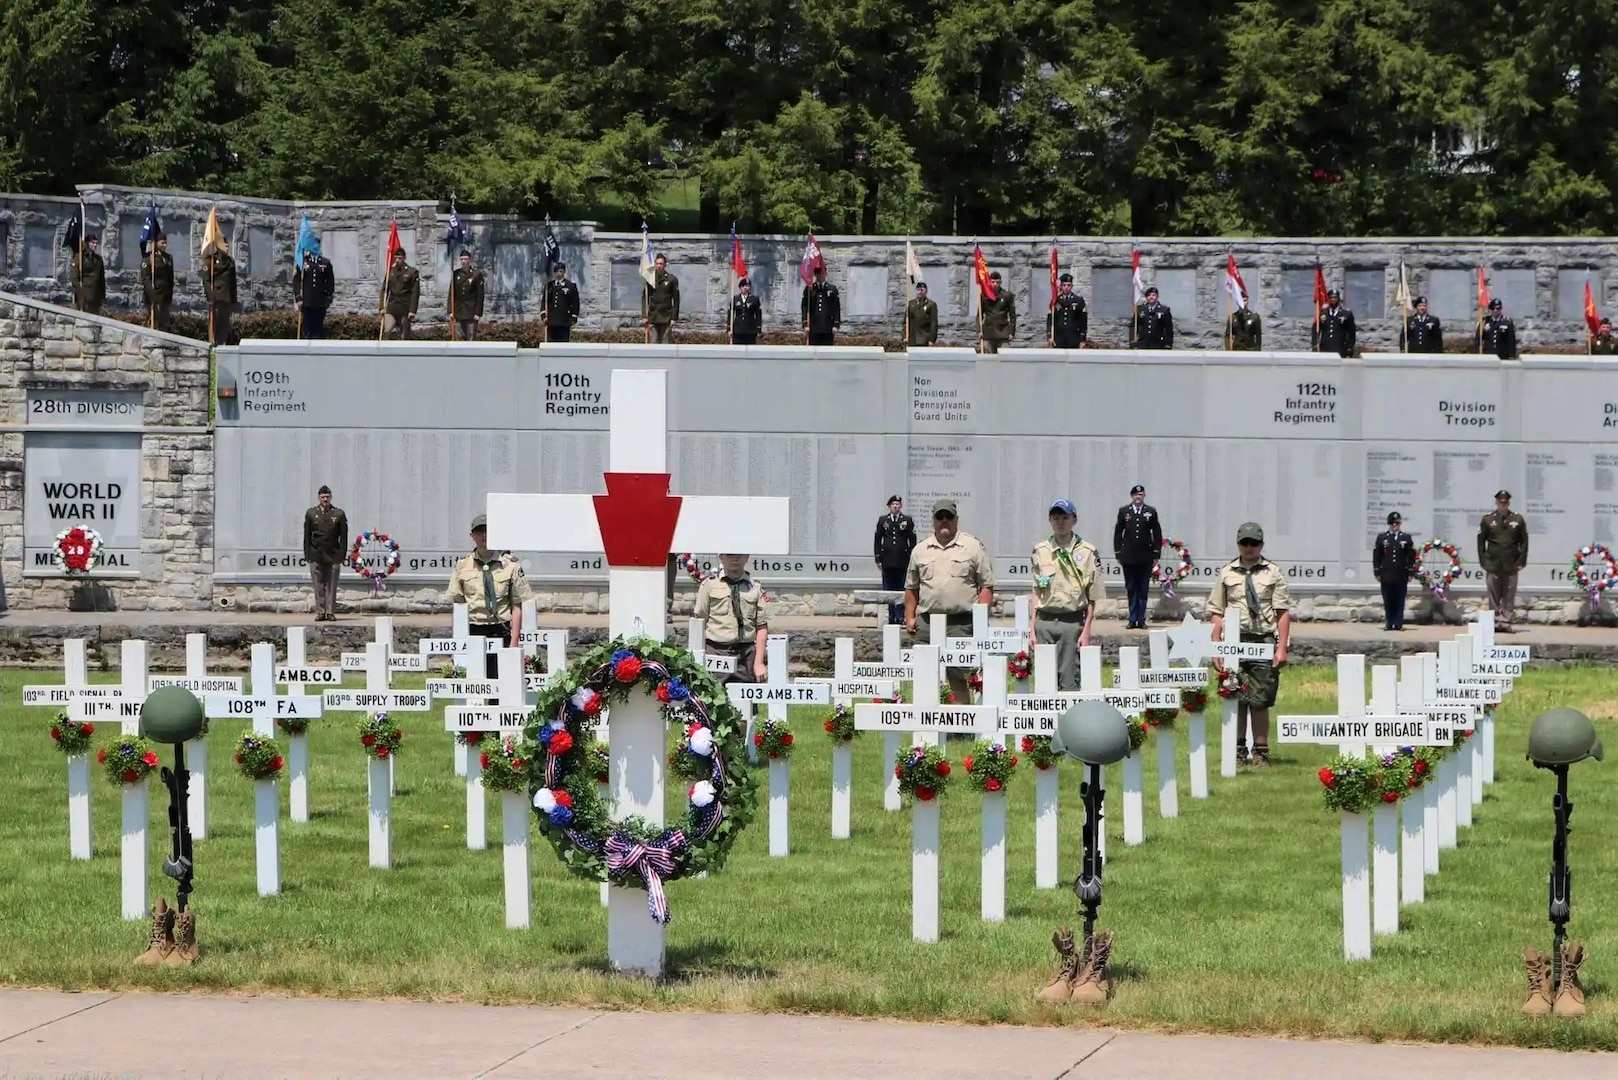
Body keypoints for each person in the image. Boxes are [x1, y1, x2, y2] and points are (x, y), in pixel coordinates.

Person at [1206, 522, 1291, 768]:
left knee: (1261, 699)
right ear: (1238, 544)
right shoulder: (1227, 573)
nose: (1250, 548)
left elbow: (1282, 612)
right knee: (1235, 696)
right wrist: (1216, 644)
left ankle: (1261, 752)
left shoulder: (1273, 572)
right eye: (1245, 543)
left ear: (1261, 545)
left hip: (1263, 639)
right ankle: (1238, 750)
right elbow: (1216, 611)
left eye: (1254, 543)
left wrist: (1281, 647)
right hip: (1234, 641)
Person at [904, 499, 994, 704]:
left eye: (949, 517)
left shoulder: (972, 547)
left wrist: (980, 619)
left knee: (958, 676)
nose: (944, 521)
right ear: (933, 520)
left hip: (961, 623)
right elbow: (911, 588)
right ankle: (927, 725)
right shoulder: (920, 550)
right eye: (940, 517)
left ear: (956, 520)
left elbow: (987, 586)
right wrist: (909, 617)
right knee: (925, 675)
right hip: (927, 622)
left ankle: (960, 728)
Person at [447, 514, 532, 677]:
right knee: (476, 683)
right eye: (479, 531)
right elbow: (458, 602)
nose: (484, 535)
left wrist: (514, 642)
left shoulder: (511, 565)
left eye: (488, 530)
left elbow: (517, 604)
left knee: (503, 680)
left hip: (502, 629)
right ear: (472, 536)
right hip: (474, 630)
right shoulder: (462, 566)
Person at [1030, 498, 1102, 691]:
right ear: (1049, 521)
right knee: (1044, 684)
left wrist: (1086, 631)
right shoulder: (1041, 551)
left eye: (1065, 517)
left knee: (1069, 682)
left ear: (1074, 520)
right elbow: (1037, 591)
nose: (1060, 522)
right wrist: (1032, 629)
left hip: (1071, 623)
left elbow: (1092, 596)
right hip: (1044, 622)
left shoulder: (1087, 552)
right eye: (1055, 518)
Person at [693, 553, 768, 683]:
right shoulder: (709, 585)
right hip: (716, 652)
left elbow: (761, 626)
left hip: (746, 654)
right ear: (720, 556)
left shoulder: (755, 588)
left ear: (747, 557)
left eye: (739, 554)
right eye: (729, 554)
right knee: (713, 699)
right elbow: (698, 622)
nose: (735, 558)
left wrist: (759, 663)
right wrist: (697, 658)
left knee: (746, 701)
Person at [1113, 484, 1162, 629]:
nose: (1138, 497)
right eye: (1135, 495)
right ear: (1132, 497)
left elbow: (1157, 533)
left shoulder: (1150, 512)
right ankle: (1132, 618)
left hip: (1145, 557)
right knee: (1131, 588)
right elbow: (1118, 533)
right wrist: (1118, 552)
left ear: (1144, 496)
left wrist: (1156, 553)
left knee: (1143, 589)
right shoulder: (1124, 512)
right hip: (1129, 557)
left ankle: (1141, 619)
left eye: (1140, 495)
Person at [1478, 489, 1528, 632]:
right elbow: (1481, 542)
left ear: (1508, 503)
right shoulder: (1488, 519)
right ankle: (1494, 622)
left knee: (1509, 594)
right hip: (1493, 563)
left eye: (1505, 502)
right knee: (1493, 594)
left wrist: (1521, 561)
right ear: (1496, 503)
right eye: (1501, 502)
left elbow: (1524, 542)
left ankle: (1506, 621)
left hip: (1511, 563)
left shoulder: (1517, 519)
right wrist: (1484, 561)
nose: (1503, 505)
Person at [302, 485, 348, 622]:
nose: (325, 499)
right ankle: (320, 611)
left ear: (331, 497)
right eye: (323, 497)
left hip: (333, 554)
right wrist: (308, 555)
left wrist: (341, 555)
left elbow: (343, 536)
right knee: (318, 585)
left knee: (332, 585)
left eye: (327, 497)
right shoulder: (311, 513)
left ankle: (330, 612)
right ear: (319, 498)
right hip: (316, 553)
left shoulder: (338, 514)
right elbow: (307, 536)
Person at [873, 495, 917, 625]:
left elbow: (912, 540)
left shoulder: (907, 520)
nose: (895, 506)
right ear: (889, 506)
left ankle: (900, 616)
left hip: (902, 561)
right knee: (888, 589)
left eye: (897, 504)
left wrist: (912, 557)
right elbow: (877, 539)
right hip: (887, 561)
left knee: (901, 589)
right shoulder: (883, 520)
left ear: (901, 506)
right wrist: (878, 558)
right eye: (893, 504)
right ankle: (891, 616)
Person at [1372, 511, 1416, 631]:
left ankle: (1398, 623)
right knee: (1388, 599)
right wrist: (1377, 571)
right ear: (1389, 524)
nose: (1395, 525)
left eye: (1397, 523)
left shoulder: (1406, 538)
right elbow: (1377, 555)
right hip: (1386, 573)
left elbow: (1411, 556)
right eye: (1392, 523)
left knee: (1400, 599)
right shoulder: (1382, 538)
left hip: (1401, 574)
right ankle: (1389, 623)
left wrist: (1411, 571)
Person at [293, 248, 335, 339]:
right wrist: (298, 298)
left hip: (320, 303)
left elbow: (330, 282)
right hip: (306, 302)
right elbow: (296, 281)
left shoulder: (325, 263)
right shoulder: (303, 262)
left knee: (317, 331)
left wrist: (328, 298)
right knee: (307, 330)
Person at [140, 232, 174, 332]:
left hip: (165, 296)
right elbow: (146, 279)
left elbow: (170, 278)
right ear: (155, 243)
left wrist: (170, 295)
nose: (164, 245)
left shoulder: (168, 258)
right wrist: (152, 295)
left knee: (164, 324)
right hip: (154, 295)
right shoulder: (148, 258)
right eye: (162, 243)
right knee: (155, 324)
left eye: (166, 243)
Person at [203, 246, 237, 346]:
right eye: (224, 245)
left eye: (228, 246)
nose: (227, 247)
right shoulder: (211, 260)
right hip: (216, 297)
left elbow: (232, 281)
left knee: (224, 323)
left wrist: (233, 297)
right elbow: (206, 279)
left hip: (226, 297)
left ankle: (222, 344)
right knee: (215, 323)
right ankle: (212, 343)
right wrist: (210, 295)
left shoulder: (230, 261)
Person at [383, 248, 420, 339]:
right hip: (392, 306)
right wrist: (382, 307)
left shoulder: (412, 272)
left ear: (404, 258)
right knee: (387, 331)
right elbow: (384, 289)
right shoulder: (390, 271)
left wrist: (412, 310)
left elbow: (415, 292)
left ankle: (405, 352)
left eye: (399, 258)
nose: (397, 260)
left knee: (405, 334)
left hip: (405, 308)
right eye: (396, 258)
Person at [644, 254, 680, 343]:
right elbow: (644, 298)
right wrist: (644, 316)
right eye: (657, 264)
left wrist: (674, 317)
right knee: (653, 342)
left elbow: (676, 300)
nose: (659, 266)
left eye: (661, 264)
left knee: (665, 344)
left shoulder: (672, 279)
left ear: (665, 265)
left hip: (666, 317)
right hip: (653, 316)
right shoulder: (650, 280)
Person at [801, 264, 840, 345]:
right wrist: (805, 324)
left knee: (827, 352)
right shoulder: (810, 289)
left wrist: (836, 324)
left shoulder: (832, 289)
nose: (821, 275)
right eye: (819, 273)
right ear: (815, 274)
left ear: (826, 274)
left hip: (828, 327)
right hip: (813, 327)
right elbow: (805, 307)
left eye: (823, 273)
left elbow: (836, 308)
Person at [450, 249, 485, 341]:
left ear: (470, 260)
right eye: (461, 259)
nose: (463, 261)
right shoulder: (455, 274)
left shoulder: (476, 274)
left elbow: (480, 295)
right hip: (458, 310)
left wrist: (478, 312)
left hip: (471, 310)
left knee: (471, 337)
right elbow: (452, 293)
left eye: (465, 259)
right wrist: (450, 310)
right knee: (459, 336)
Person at [979, 271, 1016, 353]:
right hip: (988, 332)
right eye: (993, 282)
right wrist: (979, 330)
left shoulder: (1007, 295)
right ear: (989, 282)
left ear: (1001, 282)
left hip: (1003, 332)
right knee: (988, 358)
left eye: (997, 282)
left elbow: (1012, 315)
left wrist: (1011, 332)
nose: (995, 284)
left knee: (1004, 358)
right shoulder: (984, 296)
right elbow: (979, 315)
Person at [1047, 273, 1088, 348]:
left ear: (1072, 286)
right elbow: (1050, 319)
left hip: (1073, 338)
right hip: (1058, 338)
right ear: (1061, 286)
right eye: (1064, 285)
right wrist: (1049, 336)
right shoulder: (1055, 301)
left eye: (1068, 285)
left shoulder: (1078, 301)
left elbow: (1083, 321)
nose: (1066, 287)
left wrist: (1082, 339)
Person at [543, 262, 580, 342]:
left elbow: (575, 302)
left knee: (563, 343)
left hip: (564, 320)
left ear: (564, 272)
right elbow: (544, 301)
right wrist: (543, 316)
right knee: (551, 343)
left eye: (560, 271)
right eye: (556, 272)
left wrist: (574, 317)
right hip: (552, 320)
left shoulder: (570, 286)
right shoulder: (549, 286)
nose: (558, 274)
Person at [1314, 288, 1356, 357]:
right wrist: (1315, 343)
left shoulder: (1346, 314)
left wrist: (1350, 347)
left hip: (1340, 348)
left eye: (1335, 297)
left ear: (1338, 299)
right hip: (1325, 348)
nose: (1333, 299)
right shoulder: (1322, 313)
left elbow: (1351, 332)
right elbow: (1316, 329)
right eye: (1331, 298)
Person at [73, 234, 106, 315]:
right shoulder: (80, 257)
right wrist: (81, 295)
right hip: (84, 296)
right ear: (87, 243)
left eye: (96, 243)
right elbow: (75, 278)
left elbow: (101, 279)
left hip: (96, 297)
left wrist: (102, 297)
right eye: (92, 243)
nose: (95, 245)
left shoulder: (98, 259)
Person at [729, 276, 762, 345]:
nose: (745, 288)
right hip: (738, 329)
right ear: (740, 287)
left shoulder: (754, 299)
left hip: (750, 329)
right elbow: (731, 313)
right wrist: (729, 328)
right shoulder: (736, 299)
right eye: (743, 286)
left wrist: (758, 329)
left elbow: (758, 314)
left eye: (747, 286)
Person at [906, 282, 938, 347]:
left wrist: (932, 340)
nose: (920, 292)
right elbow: (906, 320)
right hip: (912, 339)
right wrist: (904, 336)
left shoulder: (931, 305)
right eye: (918, 290)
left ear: (926, 291)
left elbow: (934, 323)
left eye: (922, 290)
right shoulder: (911, 304)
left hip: (924, 339)